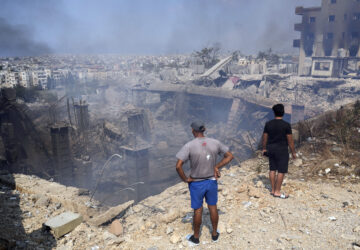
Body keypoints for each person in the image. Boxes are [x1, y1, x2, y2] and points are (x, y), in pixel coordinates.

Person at [175, 121, 233, 245]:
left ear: (192, 130)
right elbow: (229, 156)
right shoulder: (215, 142)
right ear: (204, 129)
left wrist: (185, 179)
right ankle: (214, 235)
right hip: (211, 181)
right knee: (213, 207)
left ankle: (196, 238)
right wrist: (216, 166)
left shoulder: (189, 146)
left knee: (198, 210)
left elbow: (178, 166)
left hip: (196, 183)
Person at [262, 104, 296, 199]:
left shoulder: (268, 124)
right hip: (282, 150)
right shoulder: (286, 125)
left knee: (272, 169)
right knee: (281, 170)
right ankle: (277, 191)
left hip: (271, 149)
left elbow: (264, 137)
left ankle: (273, 190)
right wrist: (293, 152)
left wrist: (264, 148)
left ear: (274, 113)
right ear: (283, 112)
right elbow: (290, 141)